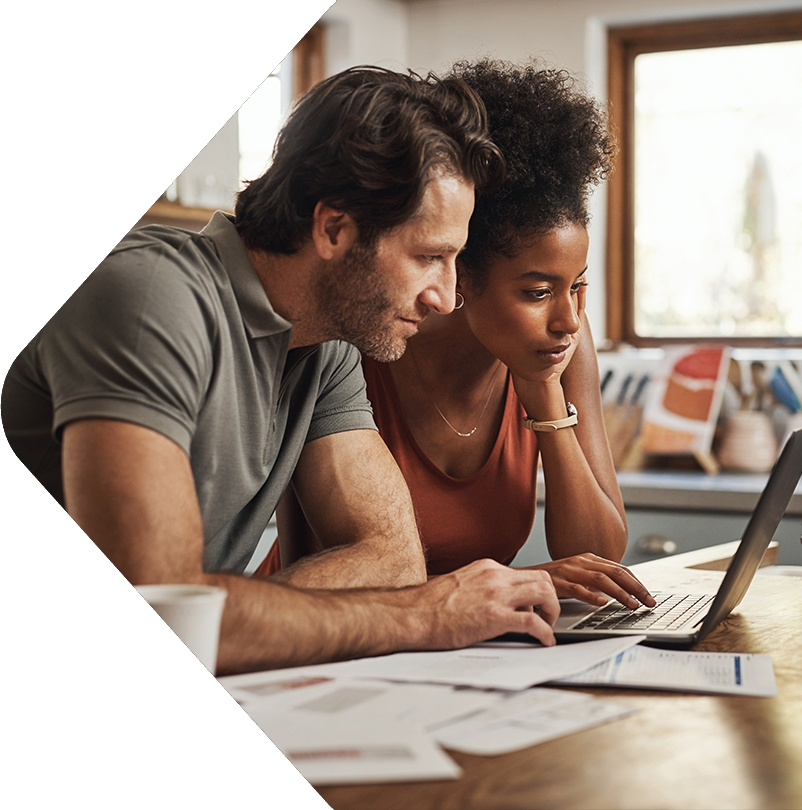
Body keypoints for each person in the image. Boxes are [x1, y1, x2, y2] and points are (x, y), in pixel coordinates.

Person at [1, 66, 561, 675]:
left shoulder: (327, 346)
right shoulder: (149, 298)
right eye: (429, 257)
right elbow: (163, 615)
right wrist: (423, 615)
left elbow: (392, 559)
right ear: (333, 228)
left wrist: (236, 618)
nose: (446, 297)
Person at [268, 60, 655, 612]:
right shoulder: (361, 340)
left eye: (579, 287)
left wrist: (544, 394)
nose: (569, 319)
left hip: (465, 641)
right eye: (537, 292)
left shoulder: (560, 346)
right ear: (461, 273)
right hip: (322, 631)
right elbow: (330, 562)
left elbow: (598, 557)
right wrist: (523, 580)